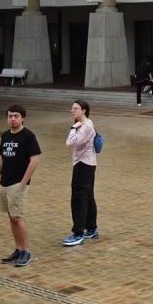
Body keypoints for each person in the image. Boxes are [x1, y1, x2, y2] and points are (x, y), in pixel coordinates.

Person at [0, 104, 41, 267]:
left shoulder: (28, 136)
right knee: (11, 218)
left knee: (17, 218)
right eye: (10, 116)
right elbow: (1, 159)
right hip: (5, 182)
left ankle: (26, 251)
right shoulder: (5, 135)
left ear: (22, 118)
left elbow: (34, 160)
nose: (13, 119)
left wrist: (23, 183)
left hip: (18, 184)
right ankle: (18, 249)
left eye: (16, 116)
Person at [62, 100, 99, 246]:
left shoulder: (85, 126)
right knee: (88, 196)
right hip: (88, 164)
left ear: (83, 110)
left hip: (83, 165)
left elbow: (70, 142)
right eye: (72, 108)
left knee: (78, 198)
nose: (72, 111)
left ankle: (78, 233)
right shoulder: (87, 124)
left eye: (75, 108)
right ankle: (91, 229)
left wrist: (73, 128)